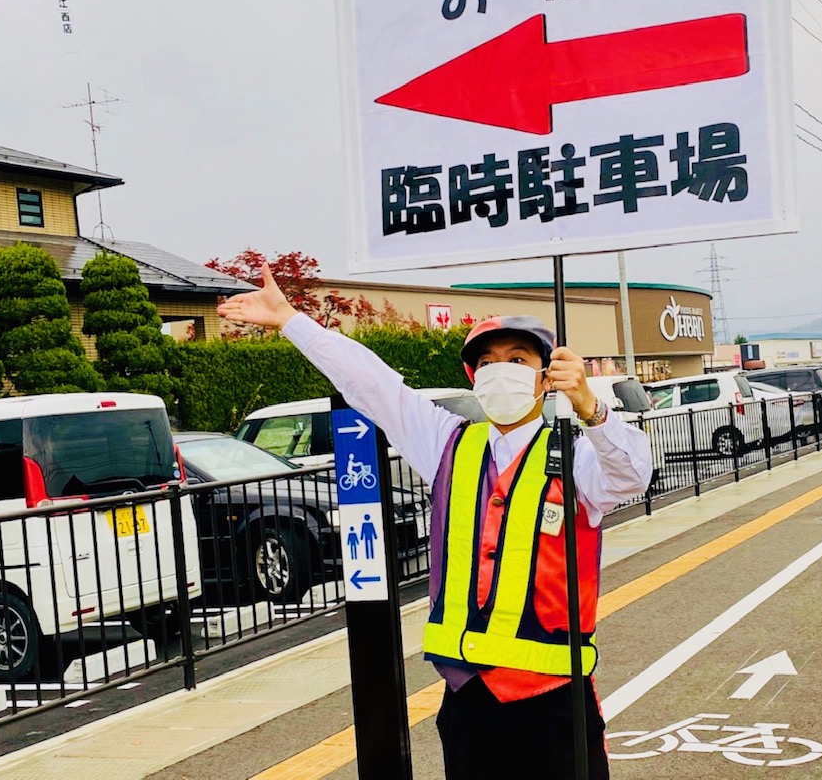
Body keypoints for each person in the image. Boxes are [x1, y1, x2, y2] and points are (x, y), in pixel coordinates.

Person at [218, 265, 652, 780]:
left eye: (518, 359)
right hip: (467, 703)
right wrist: (292, 320)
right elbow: (373, 384)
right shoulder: (448, 444)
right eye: (487, 362)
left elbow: (632, 476)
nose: (501, 370)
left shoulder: (576, 455)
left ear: (544, 376)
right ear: (473, 378)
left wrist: (590, 406)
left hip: (554, 702)